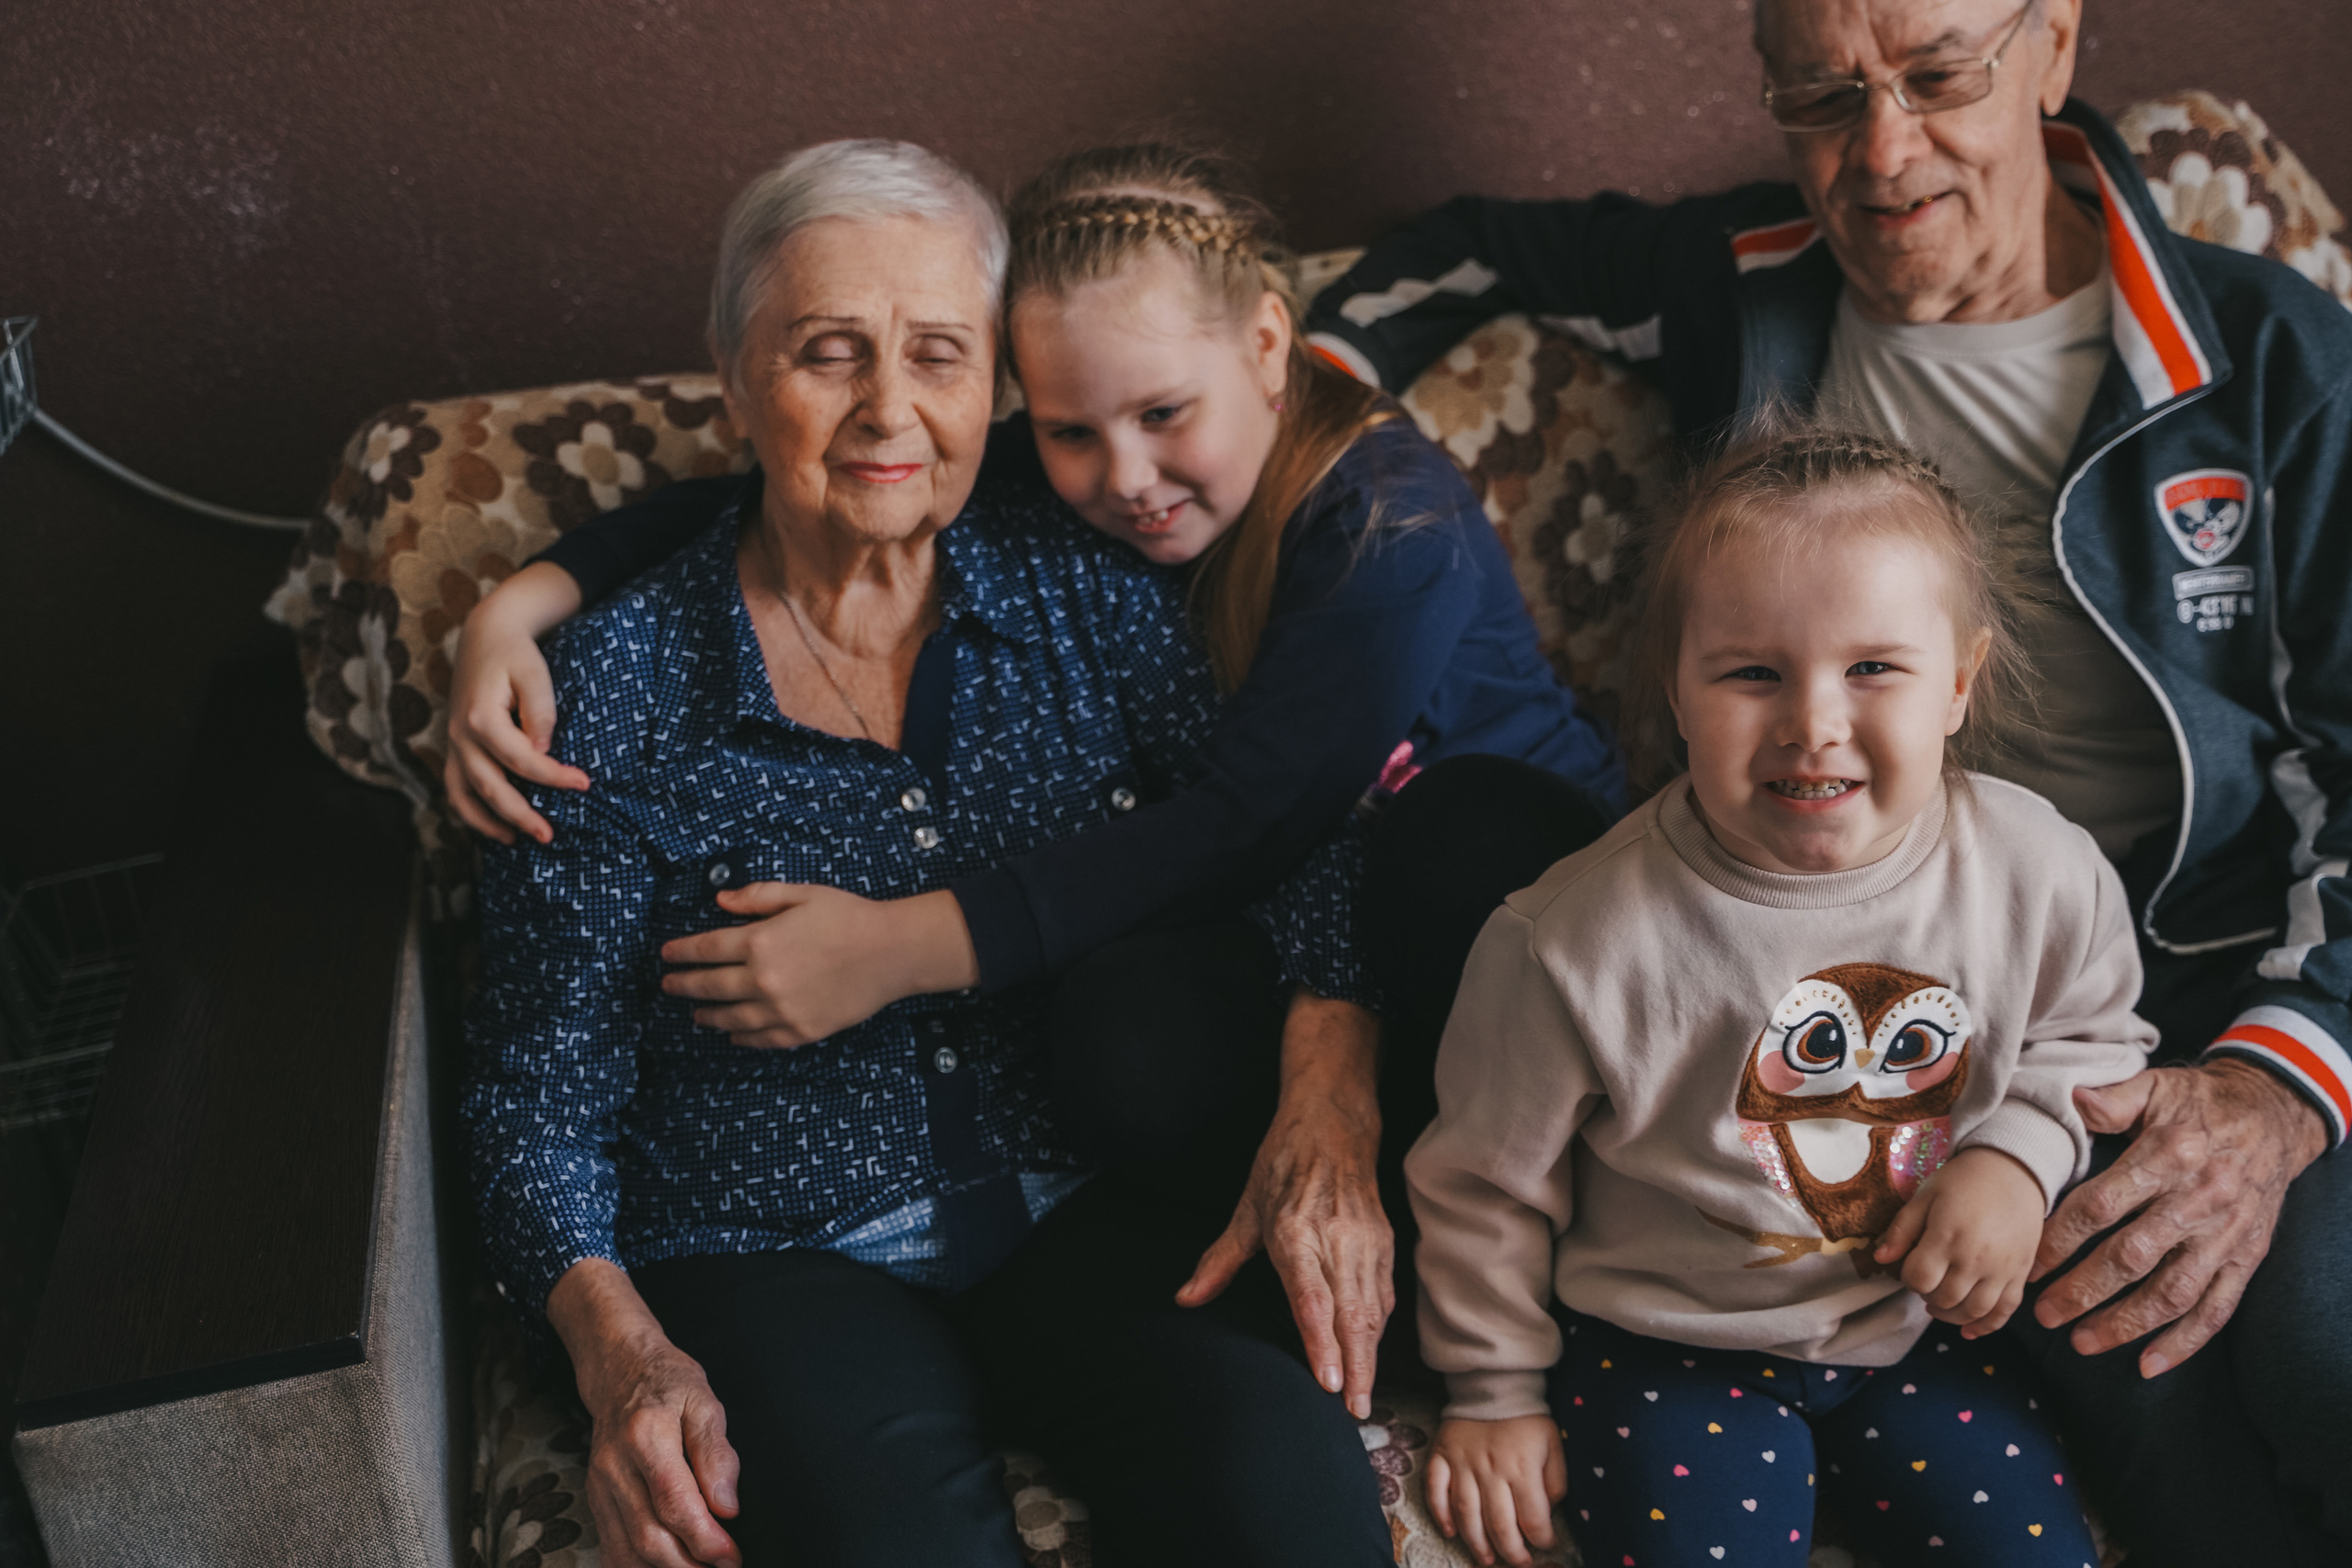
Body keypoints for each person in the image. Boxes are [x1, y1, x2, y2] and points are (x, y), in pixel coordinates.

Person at [1306, 0, 2352, 1556]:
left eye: (1939, 79)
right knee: (2137, 1377)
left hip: (2216, 960)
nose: (1880, 154)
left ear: (2054, 46)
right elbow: (1468, 251)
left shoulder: (2266, 355)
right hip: (1905, 960)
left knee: (2322, 1353)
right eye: (1822, 97)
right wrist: (1293, 394)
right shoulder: (1743, 285)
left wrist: (2284, 1074)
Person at [451, 143, 1625, 1412]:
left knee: (1453, 832)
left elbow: (1247, 824)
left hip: (1524, 939)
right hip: (1334, 955)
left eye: (1164, 414)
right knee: (1126, 1023)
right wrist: (522, 603)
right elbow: (823, 479)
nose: (1122, 477)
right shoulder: (1074, 479)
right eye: (1067, 431)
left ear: (1271, 351)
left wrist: (906, 944)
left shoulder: (1391, 522)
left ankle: (1533, 1290)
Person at [1410, 427, 2146, 1568]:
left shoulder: (2037, 869)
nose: (1812, 723)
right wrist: (1493, 1389)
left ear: (1958, 683)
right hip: (1665, 1341)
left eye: (1873, 669)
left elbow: (2090, 1040)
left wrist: (2014, 1157)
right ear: (1677, 690)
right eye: (1752, 672)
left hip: (1918, 1330)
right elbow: (1482, 1187)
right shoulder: (1570, 940)